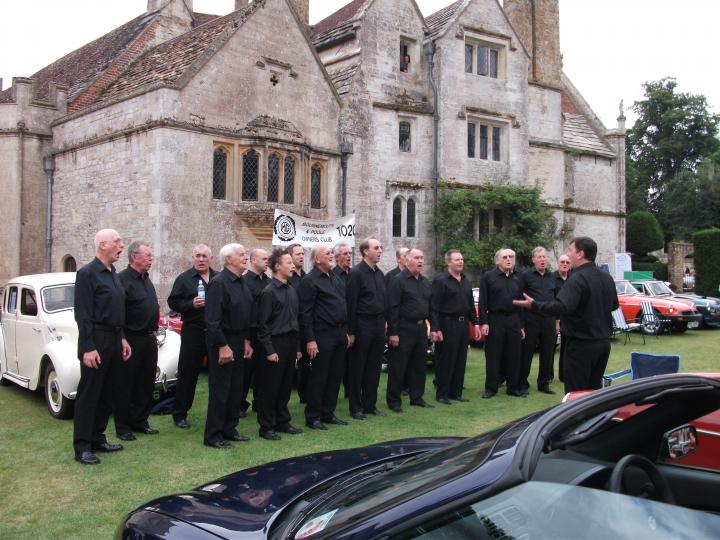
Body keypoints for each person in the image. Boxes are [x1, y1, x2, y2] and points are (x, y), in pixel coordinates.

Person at [514, 237, 619, 392]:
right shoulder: (606, 277)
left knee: (576, 394)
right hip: (603, 344)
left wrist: (535, 305)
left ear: (580, 254)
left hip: (581, 345)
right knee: (593, 392)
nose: (567, 255)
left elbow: (562, 306)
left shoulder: (576, 278)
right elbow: (614, 305)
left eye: (570, 250)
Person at [73, 229, 131, 465]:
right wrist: (88, 347)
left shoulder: (113, 274)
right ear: (103, 244)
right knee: (90, 395)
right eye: (117, 242)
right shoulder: (87, 274)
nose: (121, 246)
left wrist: (123, 338)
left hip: (115, 339)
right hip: (96, 340)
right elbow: (83, 314)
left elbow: (118, 312)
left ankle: (98, 437)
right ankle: (83, 446)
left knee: (108, 393)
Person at [203, 243, 254, 448]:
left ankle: (229, 429)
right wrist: (223, 346)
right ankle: (213, 435)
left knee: (236, 389)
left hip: (239, 340)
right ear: (228, 259)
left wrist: (246, 341)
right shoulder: (219, 283)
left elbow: (243, 315)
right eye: (241, 255)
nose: (245, 257)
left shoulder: (241, 282)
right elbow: (212, 320)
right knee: (221, 390)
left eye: (245, 254)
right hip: (222, 340)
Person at [298, 245, 349, 430]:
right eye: (327, 253)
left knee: (335, 375)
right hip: (322, 334)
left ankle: (328, 412)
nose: (331, 256)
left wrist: (346, 331)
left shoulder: (335, 278)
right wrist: (310, 339)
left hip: (339, 333)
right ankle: (313, 416)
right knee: (319, 376)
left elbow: (343, 305)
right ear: (317, 259)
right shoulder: (309, 281)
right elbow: (305, 313)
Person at [255, 248, 303, 440]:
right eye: (289, 262)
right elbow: (263, 325)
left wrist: (298, 347)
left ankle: (283, 422)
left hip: (291, 343)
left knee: (284, 387)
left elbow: (295, 320)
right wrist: (269, 350)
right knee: (270, 388)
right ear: (277, 266)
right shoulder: (268, 292)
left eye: (292, 262)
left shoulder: (291, 290)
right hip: (275, 344)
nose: (293, 265)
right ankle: (266, 427)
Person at [115, 241, 160, 441]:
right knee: (125, 384)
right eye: (147, 255)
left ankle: (140, 421)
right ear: (134, 257)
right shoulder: (122, 280)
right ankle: (123, 426)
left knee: (146, 382)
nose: (151, 259)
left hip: (149, 338)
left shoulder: (146, 279)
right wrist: (122, 338)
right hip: (131, 339)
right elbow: (118, 314)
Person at [168, 244, 216, 429]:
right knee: (188, 374)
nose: (201, 259)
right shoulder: (184, 279)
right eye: (197, 256)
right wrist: (190, 304)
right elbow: (173, 301)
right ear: (193, 258)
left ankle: (217, 411)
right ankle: (180, 414)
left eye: (204, 256)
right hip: (193, 331)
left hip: (214, 333)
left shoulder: (218, 277)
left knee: (217, 374)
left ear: (210, 258)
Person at [430, 249, 480, 404]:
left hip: (463, 325)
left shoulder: (465, 280)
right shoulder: (440, 281)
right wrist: (436, 328)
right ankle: (442, 393)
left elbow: (470, 306)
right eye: (457, 259)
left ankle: (456, 392)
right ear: (448, 263)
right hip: (447, 324)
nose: (461, 262)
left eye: (462, 259)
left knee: (460, 359)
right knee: (446, 359)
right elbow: (434, 307)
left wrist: (476, 324)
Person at [386, 248, 433, 411]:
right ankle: (394, 400)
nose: (421, 261)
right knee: (398, 366)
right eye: (417, 258)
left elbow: (430, 306)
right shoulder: (397, 281)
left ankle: (417, 397)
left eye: (422, 258)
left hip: (420, 328)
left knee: (419, 365)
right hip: (403, 328)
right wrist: (393, 332)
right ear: (407, 260)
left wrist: (433, 328)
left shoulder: (425, 282)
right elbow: (392, 308)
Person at [346, 237, 386, 419]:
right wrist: (351, 332)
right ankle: (356, 407)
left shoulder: (379, 274)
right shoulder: (356, 274)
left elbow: (382, 301)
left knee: (374, 367)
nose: (380, 251)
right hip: (362, 326)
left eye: (380, 248)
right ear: (365, 252)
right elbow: (351, 304)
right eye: (376, 248)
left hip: (378, 326)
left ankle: (370, 404)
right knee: (358, 368)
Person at [478, 248, 525, 399]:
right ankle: (491, 388)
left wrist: (522, 325)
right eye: (505, 257)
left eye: (511, 256)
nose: (508, 259)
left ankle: (513, 387)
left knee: (514, 354)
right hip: (495, 319)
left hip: (513, 320)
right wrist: (483, 323)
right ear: (497, 260)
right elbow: (483, 302)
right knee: (493, 355)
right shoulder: (488, 277)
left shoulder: (518, 277)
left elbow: (521, 303)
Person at [518, 247, 557, 395]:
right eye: (539, 257)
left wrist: (557, 320)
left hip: (548, 321)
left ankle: (544, 383)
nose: (542, 259)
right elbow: (520, 300)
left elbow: (556, 299)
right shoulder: (525, 276)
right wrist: (521, 324)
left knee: (548, 353)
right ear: (533, 259)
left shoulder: (552, 277)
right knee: (526, 353)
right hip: (530, 320)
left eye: (544, 257)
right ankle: (522, 384)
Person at [242, 248, 270, 416]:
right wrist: (246, 339)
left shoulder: (269, 282)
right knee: (245, 373)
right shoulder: (244, 282)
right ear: (253, 261)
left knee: (263, 372)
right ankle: (239, 404)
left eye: (268, 258)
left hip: (265, 333)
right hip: (249, 334)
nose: (267, 261)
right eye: (264, 258)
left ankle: (259, 403)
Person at [288, 243, 309, 403]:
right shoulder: (288, 279)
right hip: (292, 327)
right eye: (297, 254)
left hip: (307, 325)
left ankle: (305, 394)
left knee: (306, 364)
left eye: (303, 254)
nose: (301, 256)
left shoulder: (307, 277)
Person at [552, 254, 571, 382]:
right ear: (558, 263)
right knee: (550, 348)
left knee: (567, 348)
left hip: (570, 319)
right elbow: (551, 300)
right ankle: (548, 376)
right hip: (554, 317)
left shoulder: (574, 278)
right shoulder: (551, 278)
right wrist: (556, 320)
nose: (564, 264)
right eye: (562, 262)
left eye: (567, 262)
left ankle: (564, 375)